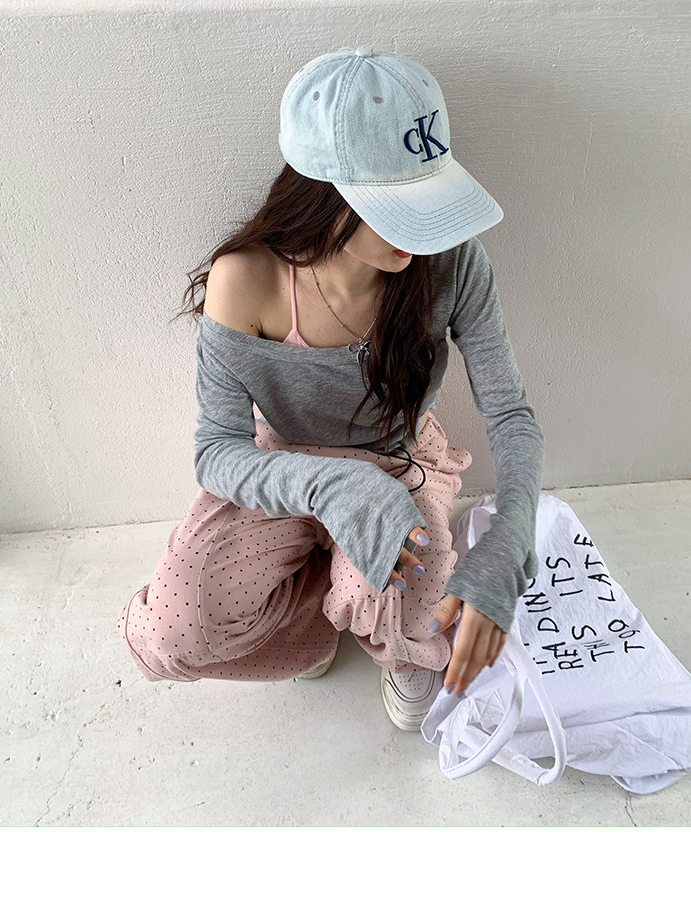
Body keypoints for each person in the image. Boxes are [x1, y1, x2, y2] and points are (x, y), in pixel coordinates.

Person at [117, 46, 544, 733]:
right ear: (321, 192)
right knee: (176, 630)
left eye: (429, 195)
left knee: (418, 608)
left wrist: (510, 542)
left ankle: (369, 612)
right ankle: (309, 622)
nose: (421, 229)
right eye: (393, 205)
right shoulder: (246, 280)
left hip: (399, 463)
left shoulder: (454, 263)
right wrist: (337, 488)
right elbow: (218, 450)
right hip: (283, 470)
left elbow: (510, 411)